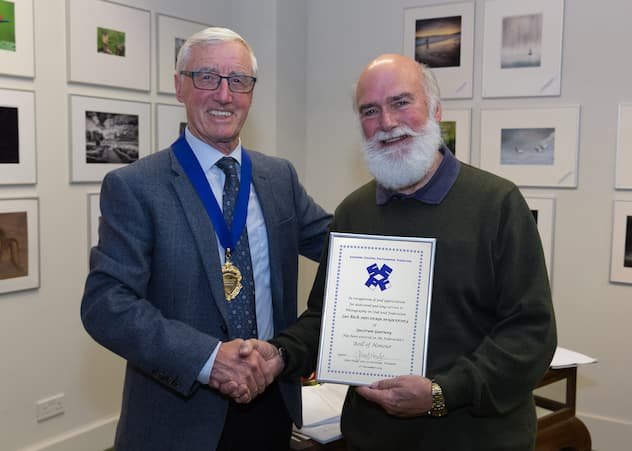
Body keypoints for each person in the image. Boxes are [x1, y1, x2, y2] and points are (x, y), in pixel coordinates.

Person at [250, 53, 557, 450]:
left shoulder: (497, 205)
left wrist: (442, 393)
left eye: (401, 102)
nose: (387, 123)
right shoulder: (353, 212)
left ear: (435, 109)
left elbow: (531, 335)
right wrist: (280, 353)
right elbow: (326, 319)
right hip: (371, 438)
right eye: (370, 111)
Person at [80, 27, 331, 451]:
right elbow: (106, 304)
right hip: (178, 418)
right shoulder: (135, 186)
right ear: (179, 85)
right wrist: (208, 359)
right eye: (207, 77)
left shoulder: (278, 177)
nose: (224, 95)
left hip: (271, 404)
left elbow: (338, 246)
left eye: (238, 80)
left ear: (251, 91)